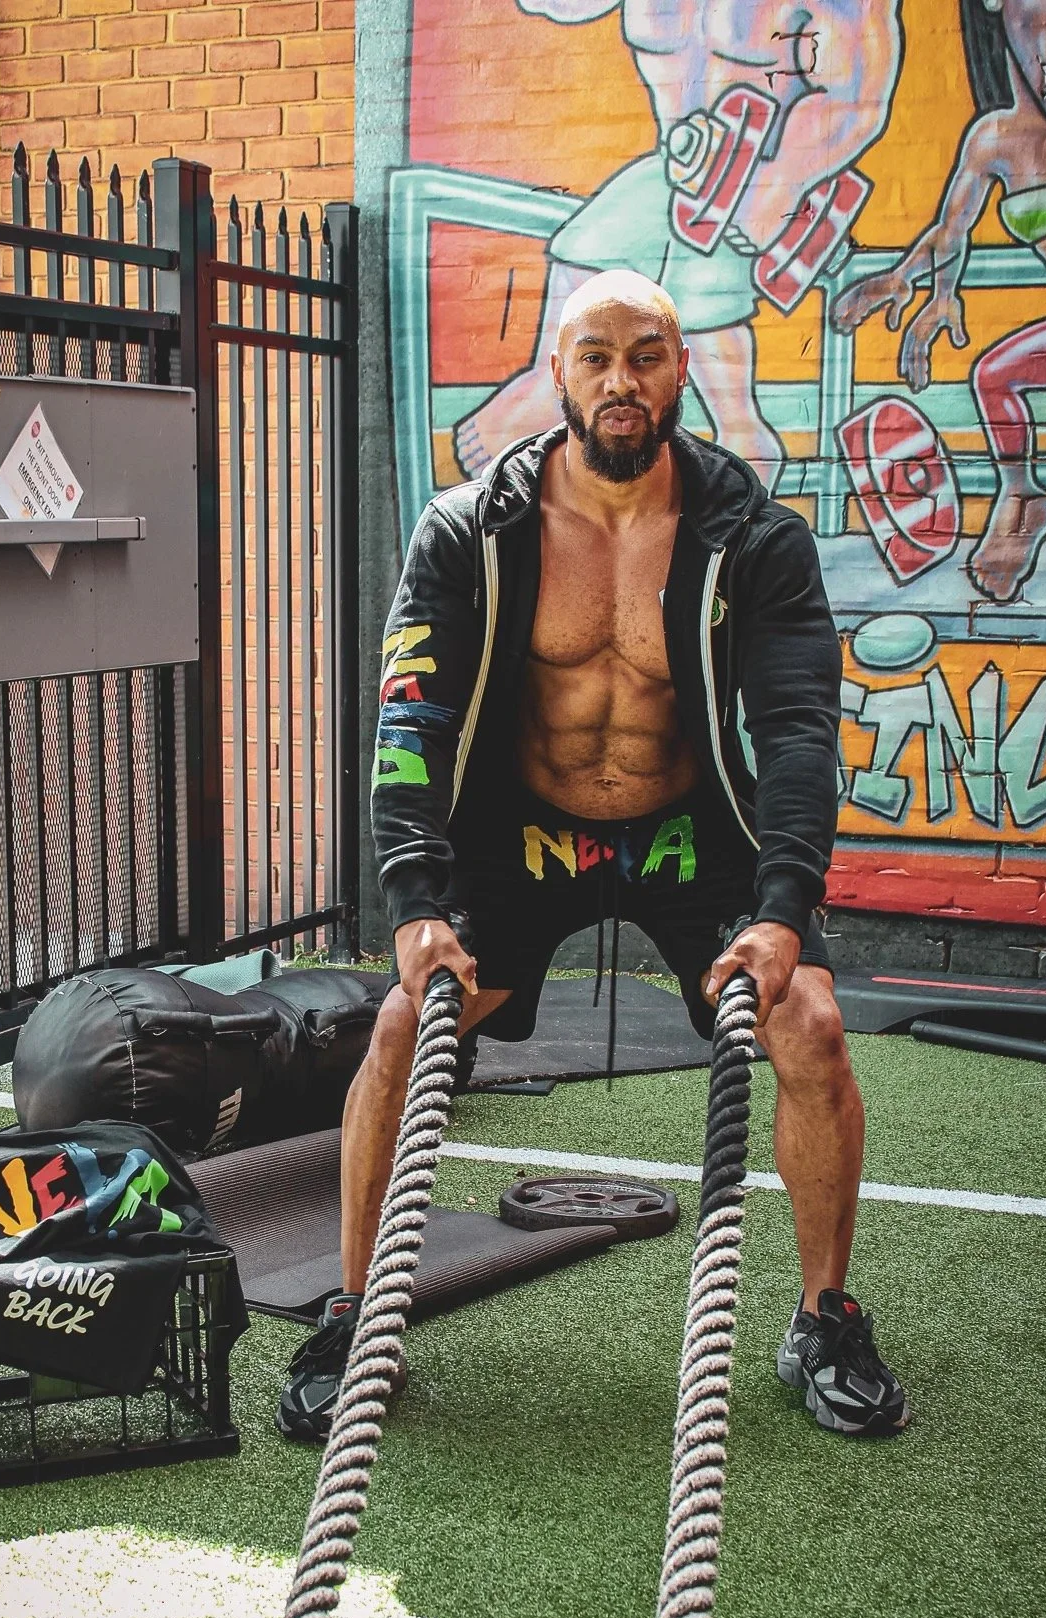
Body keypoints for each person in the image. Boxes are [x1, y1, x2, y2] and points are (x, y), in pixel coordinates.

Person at [276, 271, 908, 1445]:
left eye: (649, 355)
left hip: (692, 833)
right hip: (527, 831)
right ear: (558, 371)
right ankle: (359, 1310)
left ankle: (825, 1314)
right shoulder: (473, 530)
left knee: (812, 1025)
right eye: (597, 357)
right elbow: (409, 714)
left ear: (680, 367)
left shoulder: (754, 536)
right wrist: (415, 903)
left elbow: (799, 732)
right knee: (405, 1027)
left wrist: (781, 909)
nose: (624, 381)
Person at [454, 0, 902, 489]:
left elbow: (861, 92)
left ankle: (741, 493)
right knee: (585, 261)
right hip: (675, 181)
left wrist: (781, 185)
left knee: (678, 288)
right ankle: (740, 453)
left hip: (754, 194)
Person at [832, 0, 1046, 651]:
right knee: (994, 373)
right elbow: (947, 231)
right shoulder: (996, 141)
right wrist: (920, 285)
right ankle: (1022, 497)